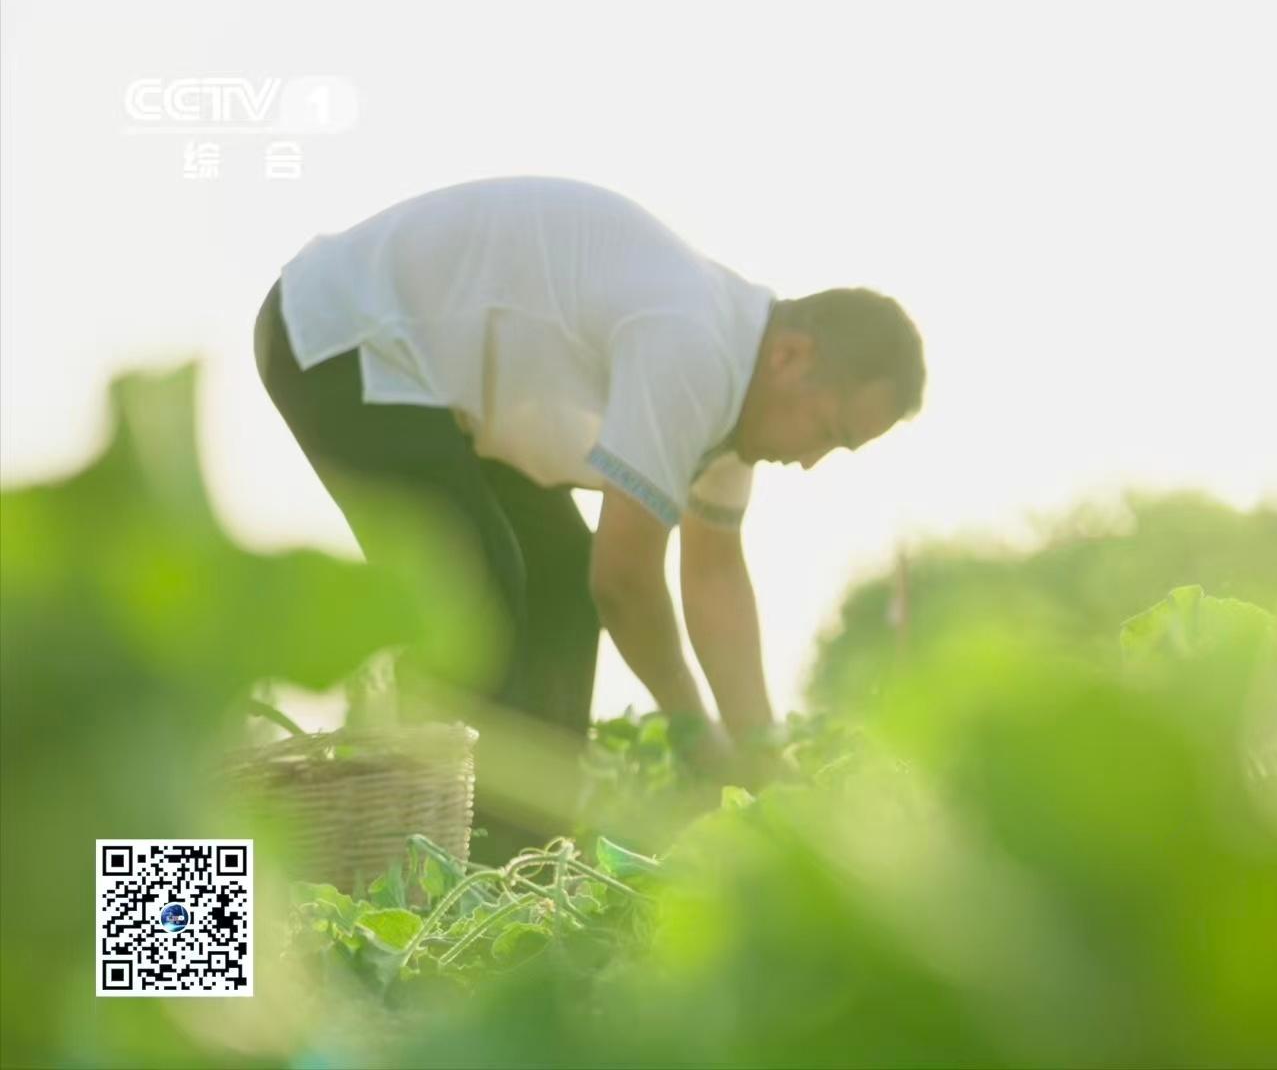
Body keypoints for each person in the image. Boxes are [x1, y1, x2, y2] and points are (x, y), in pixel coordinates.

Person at [252, 176, 924, 859]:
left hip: (430, 388)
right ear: (791, 357)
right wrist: (696, 735)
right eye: (830, 431)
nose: (812, 462)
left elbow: (714, 579)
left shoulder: (736, 401)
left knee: (560, 582)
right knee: (475, 597)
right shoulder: (695, 347)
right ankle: (435, 869)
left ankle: (525, 863)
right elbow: (627, 582)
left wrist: (760, 758)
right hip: (342, 333)